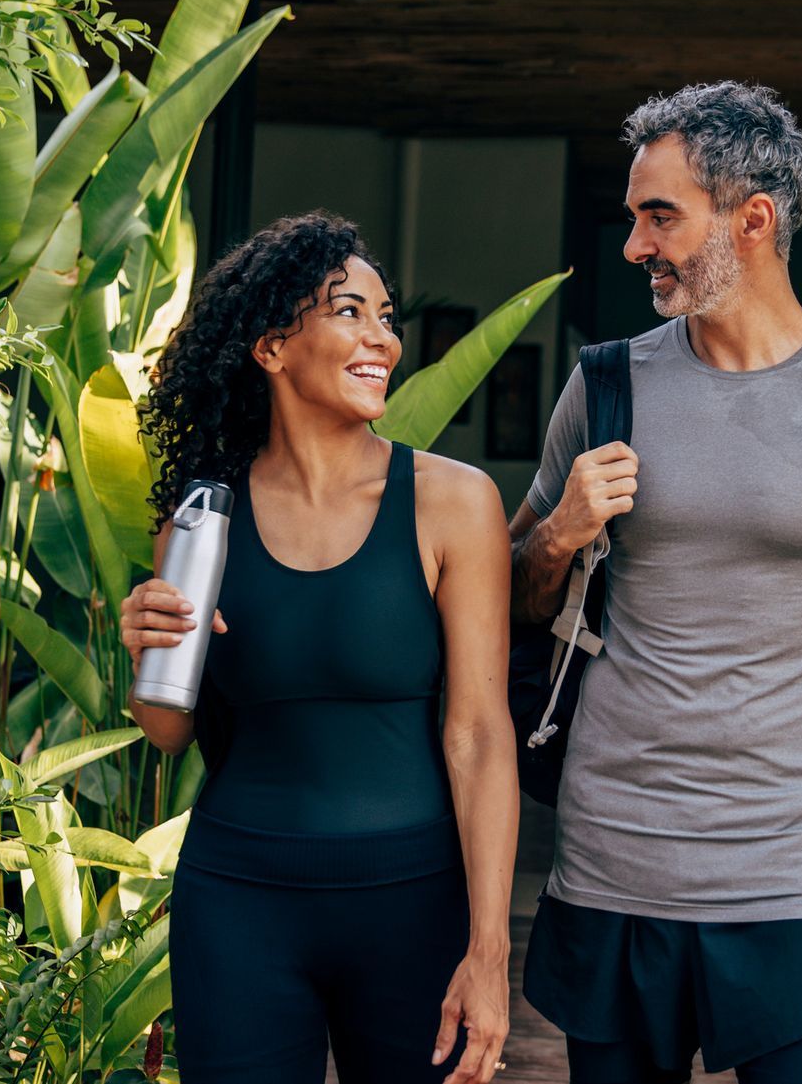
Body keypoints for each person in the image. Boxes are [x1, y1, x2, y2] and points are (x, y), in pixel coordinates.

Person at [509, 82, 802, 1083]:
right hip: (612, 859)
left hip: (789, 875)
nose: (636, 244)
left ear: (755, 221)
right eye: (636, 216)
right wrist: (560, 532)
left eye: (662, 216)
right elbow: (512, 596)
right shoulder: (605, 385)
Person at [122, 212, 517, 1084]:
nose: (381, 338)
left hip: (413, 905)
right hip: (239, 902)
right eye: (350, 312)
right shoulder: (200, 519)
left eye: (386, 318)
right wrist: (144, 645)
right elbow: (166, 729)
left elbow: (480, 735)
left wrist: (488, 950)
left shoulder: (452, 502)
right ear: (270, 346)